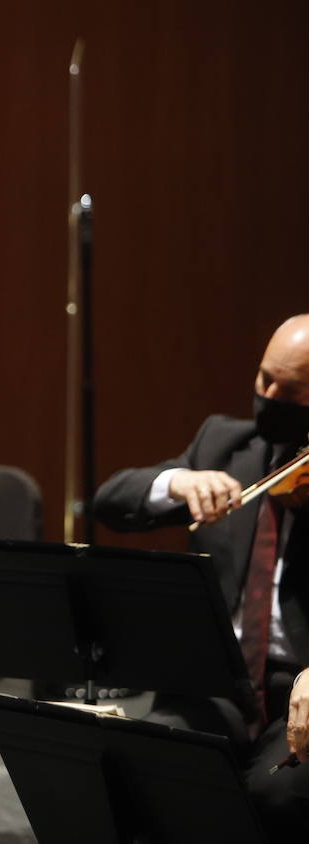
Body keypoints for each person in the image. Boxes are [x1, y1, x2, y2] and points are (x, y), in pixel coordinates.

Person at [93, 315, 309, 842]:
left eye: (294, 391)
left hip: (299, 689)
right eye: (265, 381)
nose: (271, 396)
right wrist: (178, 481)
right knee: (140, 767)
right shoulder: (224, 443)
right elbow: (112, 502)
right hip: (213, 684)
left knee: (278, 798)